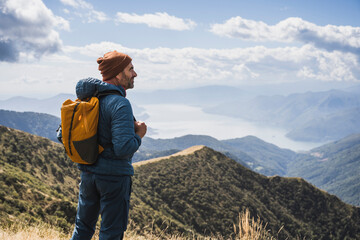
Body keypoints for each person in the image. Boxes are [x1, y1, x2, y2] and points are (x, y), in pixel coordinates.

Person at [70, 50, 147, 240]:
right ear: (118, 74)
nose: (135, 74)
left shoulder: (87, 99)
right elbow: (123, 148)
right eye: (130, 69)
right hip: (113, 178)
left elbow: (64, 134)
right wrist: (139, 134)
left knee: (83, 228)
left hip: (88, 174)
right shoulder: (120, 104)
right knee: (111, 233)